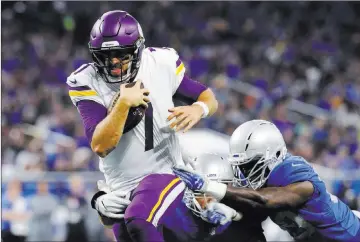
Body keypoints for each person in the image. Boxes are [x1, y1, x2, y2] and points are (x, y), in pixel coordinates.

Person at [66, 10, 218, 241]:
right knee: (130, 230)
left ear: (138, 49)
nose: (114, 62)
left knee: (141, 219)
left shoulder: (160, 62)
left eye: (121, 54)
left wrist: (198, 109)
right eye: (106, 55)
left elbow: (206, 96)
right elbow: (100, 145)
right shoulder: (86, 79)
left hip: (166, 173)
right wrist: (123, 103)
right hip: (122, 187)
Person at [173, 120, 360, 242]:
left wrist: (211, 187)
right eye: (240, 166)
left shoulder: (294, 175)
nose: (243, 173)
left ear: (274, 155)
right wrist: (219, 210)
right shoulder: (263, 180)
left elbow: (266, 199)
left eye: (248, 166)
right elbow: (249, 209)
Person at [92, 153, 265, 242]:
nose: (212, 201)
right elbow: (122, 220)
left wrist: (229, 222)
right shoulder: (176, 211)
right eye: (206, 194)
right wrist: (101, 201)